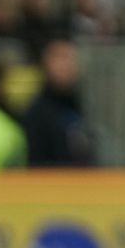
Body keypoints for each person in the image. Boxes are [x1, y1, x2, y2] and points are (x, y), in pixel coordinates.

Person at [21, 38, 98, 167]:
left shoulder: (80, 106)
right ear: (45, 63)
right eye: (59, 58)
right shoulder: (37, 113)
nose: (66, 66)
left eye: (70, 58)